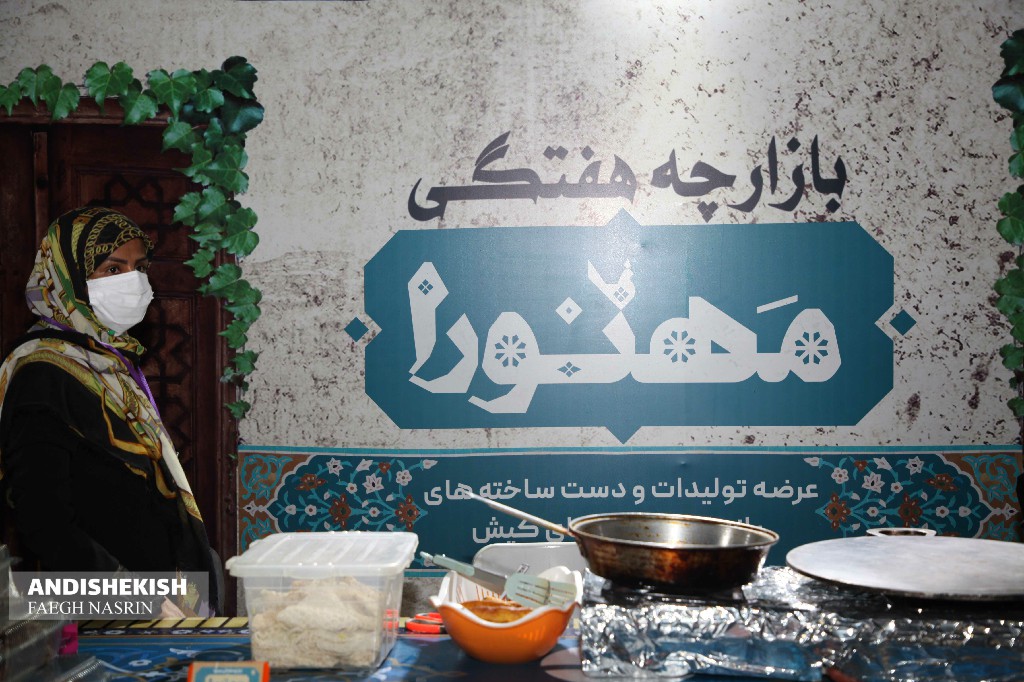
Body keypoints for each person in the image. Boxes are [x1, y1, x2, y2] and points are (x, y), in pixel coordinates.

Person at [0, 206, 218, 613]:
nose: (133, 282)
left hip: (152, 598)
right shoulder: (42, 374)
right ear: (67, 277)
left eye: (140, 267)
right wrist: (131, 597)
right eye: (113, 269)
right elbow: (44, 521)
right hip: (93, 609)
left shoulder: (109, 363)